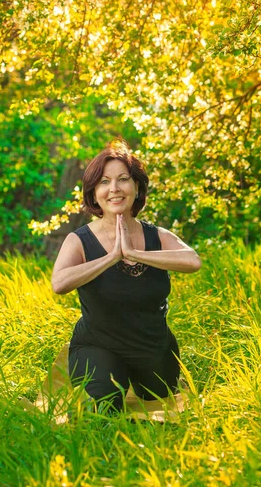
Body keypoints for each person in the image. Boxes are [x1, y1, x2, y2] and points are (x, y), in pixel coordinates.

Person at [51, 141, 201, 413]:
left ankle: (144, 372)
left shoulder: (157, 235)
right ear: (94, 194)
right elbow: (59, 283)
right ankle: (101, 374)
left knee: (158, 395)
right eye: (104, 182)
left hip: (152, 345)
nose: (114, 189)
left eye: (123, 180)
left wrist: (136, 253)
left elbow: (193, 261)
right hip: (98, 343)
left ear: (137, 188)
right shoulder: (79, 240)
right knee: (104, 406)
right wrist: (111, 258)